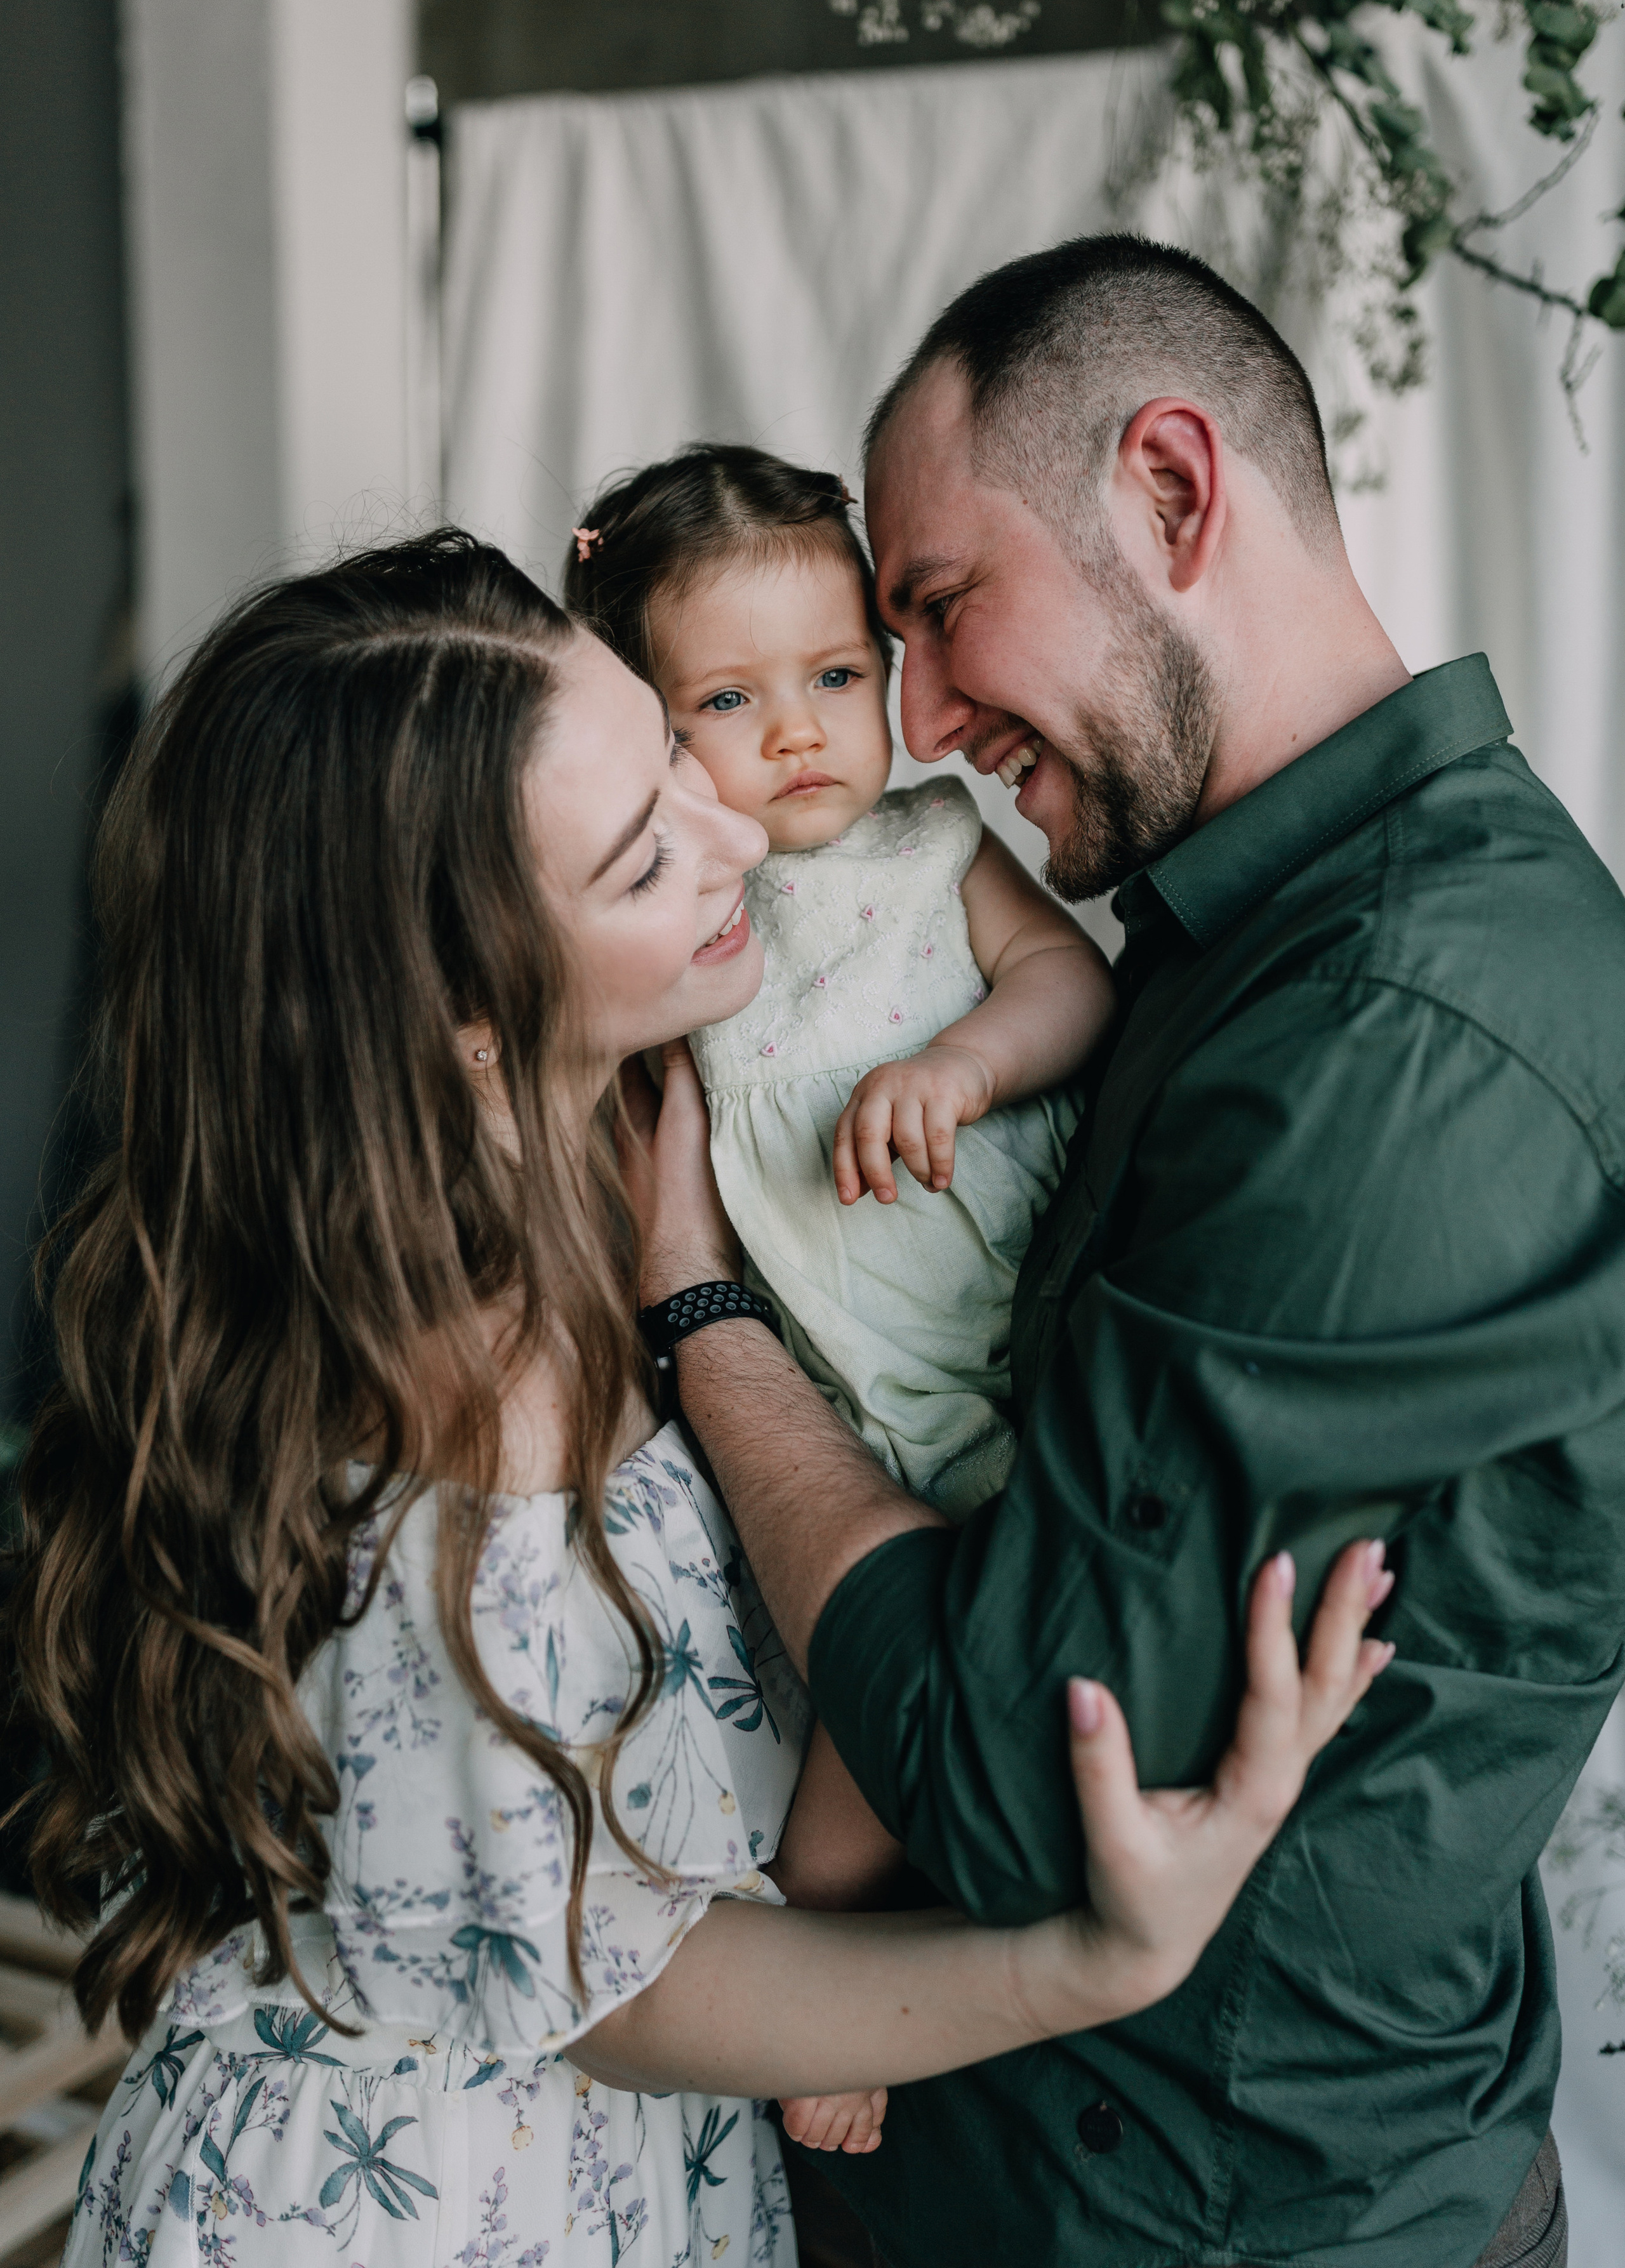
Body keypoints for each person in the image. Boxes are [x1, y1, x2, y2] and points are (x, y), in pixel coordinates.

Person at [6, 536, 1391, 2268]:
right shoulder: (463, 1389)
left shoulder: (645, 1120)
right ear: (463, 1018)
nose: (745, 827)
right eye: (651, 849)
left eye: (674, 752)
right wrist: (1092, 1964)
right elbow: (619, 1984)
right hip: (431, 2207)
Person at [632, 235, 1625, 2268]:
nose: (904, 717)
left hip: (1201, 2209)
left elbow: (1008, 1772)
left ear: (1174, 493)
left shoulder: (1392, 1035)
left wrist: (703, 1313)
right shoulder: (1228, 931)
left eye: (934, 610)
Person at [566, 444, 1113, 1523]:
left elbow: (1071, 980)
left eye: (837, 676)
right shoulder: (673, 910)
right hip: (818, 1386)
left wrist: (967, 1063)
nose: (799, 730)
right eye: (728, 698)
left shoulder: (935, 845)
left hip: (1018, 1320)